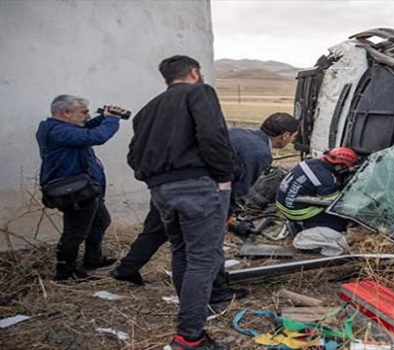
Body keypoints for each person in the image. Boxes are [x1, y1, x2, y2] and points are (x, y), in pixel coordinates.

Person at [110, 113, 299, 295]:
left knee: (155, 229)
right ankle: (217, 290)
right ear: (285, 135)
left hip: (170, 185)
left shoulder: (240, 133)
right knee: (209, 244)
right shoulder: (259, 152)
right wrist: (226, 215)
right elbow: (238, 187)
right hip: (200, 196)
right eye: (293, 137)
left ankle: (126, 268)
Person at [127, 55, 236, 350]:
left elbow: (133, 155)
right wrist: (224, 176)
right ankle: (190, 336)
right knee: (203, 259)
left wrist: (154, 178)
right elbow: (213, 135)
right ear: (194, 72)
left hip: (161, 190)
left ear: (166, 78)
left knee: (182, 252)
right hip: (198, 187)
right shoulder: (200, 92)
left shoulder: (147, 109)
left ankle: (192, 317)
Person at [36, 95, 122, 281]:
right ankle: (65, 273)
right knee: (75, 233)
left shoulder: (62, 128)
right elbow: (97, 136)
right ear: (66, 113)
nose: (88, 116)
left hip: (86, 189)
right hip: (74, 192)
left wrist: (103, 117)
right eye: (83, 112)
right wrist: (112, 119)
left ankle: (93, 259)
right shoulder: (59, 132)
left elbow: (87, 128)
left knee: (100, 220)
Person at [275, 147, 357, 233]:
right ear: (339, 166)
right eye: (346, 168)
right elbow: (335, 204)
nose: (347, 170)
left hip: (282, 203)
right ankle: (303, 226)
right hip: (296, 212)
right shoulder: (326, 178)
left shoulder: (311, 162)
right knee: (340, 224)